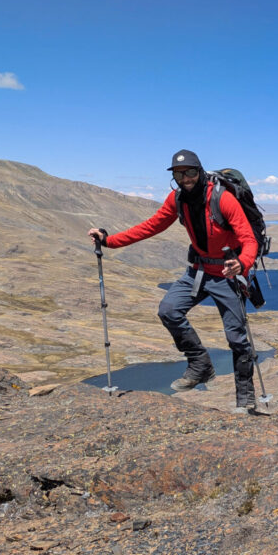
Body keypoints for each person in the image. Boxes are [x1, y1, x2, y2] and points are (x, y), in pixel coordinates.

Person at [88, 149, 260, 412]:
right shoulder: (177, 199)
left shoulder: (222, 199)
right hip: (199, 271)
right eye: (179, 174)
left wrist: (242, 263)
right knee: (169, 310)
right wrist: (109, 241)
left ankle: (245, 399)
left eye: (190, 172)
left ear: (199, 171)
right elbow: (150, 226)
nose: (186, 178)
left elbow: (249, 239)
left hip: (228, 274)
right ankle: (200, 365)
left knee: (237, 339)